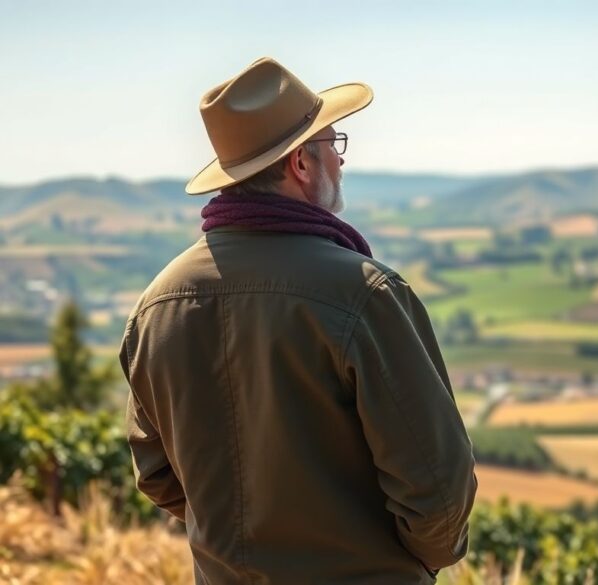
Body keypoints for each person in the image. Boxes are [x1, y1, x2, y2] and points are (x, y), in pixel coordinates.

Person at [119, 57, 477, 584]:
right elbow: (439, 489)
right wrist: (411, 562)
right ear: (301, 165)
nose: (341, 159)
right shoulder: (364, 293)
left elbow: (155, 474)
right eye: (335, 143)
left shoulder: (157, 305)